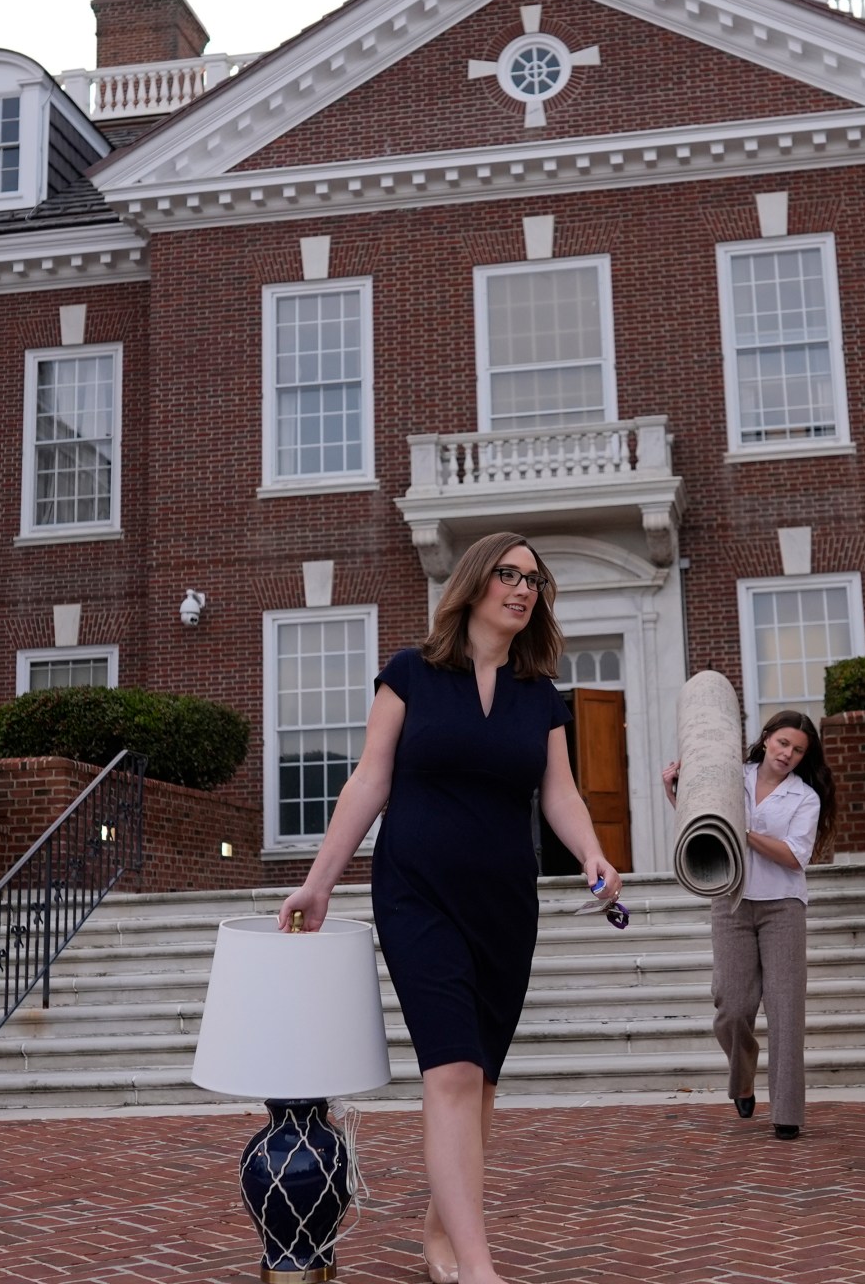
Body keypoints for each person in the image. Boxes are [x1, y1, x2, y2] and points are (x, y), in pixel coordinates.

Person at [279, 531, 622, 1284]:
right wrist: (321, 880)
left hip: (504, 904)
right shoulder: (411, 674)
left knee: (481, 1084)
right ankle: (479, 1265)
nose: (522, 588)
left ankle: (440, 1236)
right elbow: (369, 781)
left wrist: (594, 853)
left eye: (534, 579)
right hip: (417, 893)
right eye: (508, 573)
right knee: (453, 1073)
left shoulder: (542, 698)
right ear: (473, 584)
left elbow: (559, 794)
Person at [661, 710, 834, 1140]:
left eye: (797, 750)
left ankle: (788, 1113)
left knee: (785, 1010)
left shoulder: (804, 798)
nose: (788, 754)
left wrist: (746, 832)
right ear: (767, 739)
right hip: (732, 900)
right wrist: (674, 791)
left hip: (783, 908)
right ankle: (742, 1078)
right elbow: (703, 819)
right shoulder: (732, 775)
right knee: (732, 1006)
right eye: (782, 744)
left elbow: (796, 856)